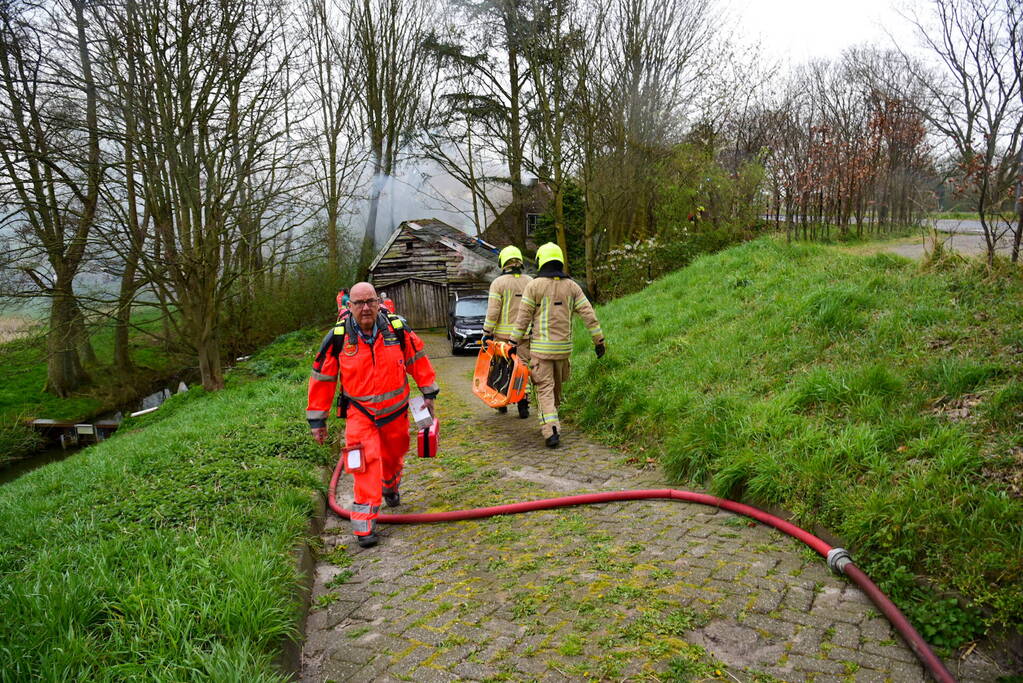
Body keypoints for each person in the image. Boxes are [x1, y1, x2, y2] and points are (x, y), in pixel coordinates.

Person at [307, 282, 439, 548]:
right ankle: (364, 522)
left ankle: (390, 486)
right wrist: (317, 420)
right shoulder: (338, 337)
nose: (365, 308)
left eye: (370, 301)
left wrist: (428, 392)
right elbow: (323, 378)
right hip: (360, 415)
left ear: (379, 302)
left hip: (397, 413)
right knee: (364, 464)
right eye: (359, 303)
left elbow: (418, 360)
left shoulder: (397, 329)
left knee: (394, 455)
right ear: (350, 306)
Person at [509, 243, 605, 448]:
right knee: (556, 390)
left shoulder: (534, 286)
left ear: (540, 260)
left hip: (541, 352)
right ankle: (553, 419)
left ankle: (551, 430)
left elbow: (522, 319)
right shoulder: (572, 286)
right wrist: (599, 341)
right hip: (563, 351)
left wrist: (512, 343)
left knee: (544, 390)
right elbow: (589, 315)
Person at [482, 245, 532, 419]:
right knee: (522, 369)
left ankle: (501, 403)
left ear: (503, 262)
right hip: (524, 337)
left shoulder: (498, 283)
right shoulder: (530, 281)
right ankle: (523, 404)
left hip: (502, 338)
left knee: (502, 369)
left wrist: (486, 332)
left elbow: (493, 311)